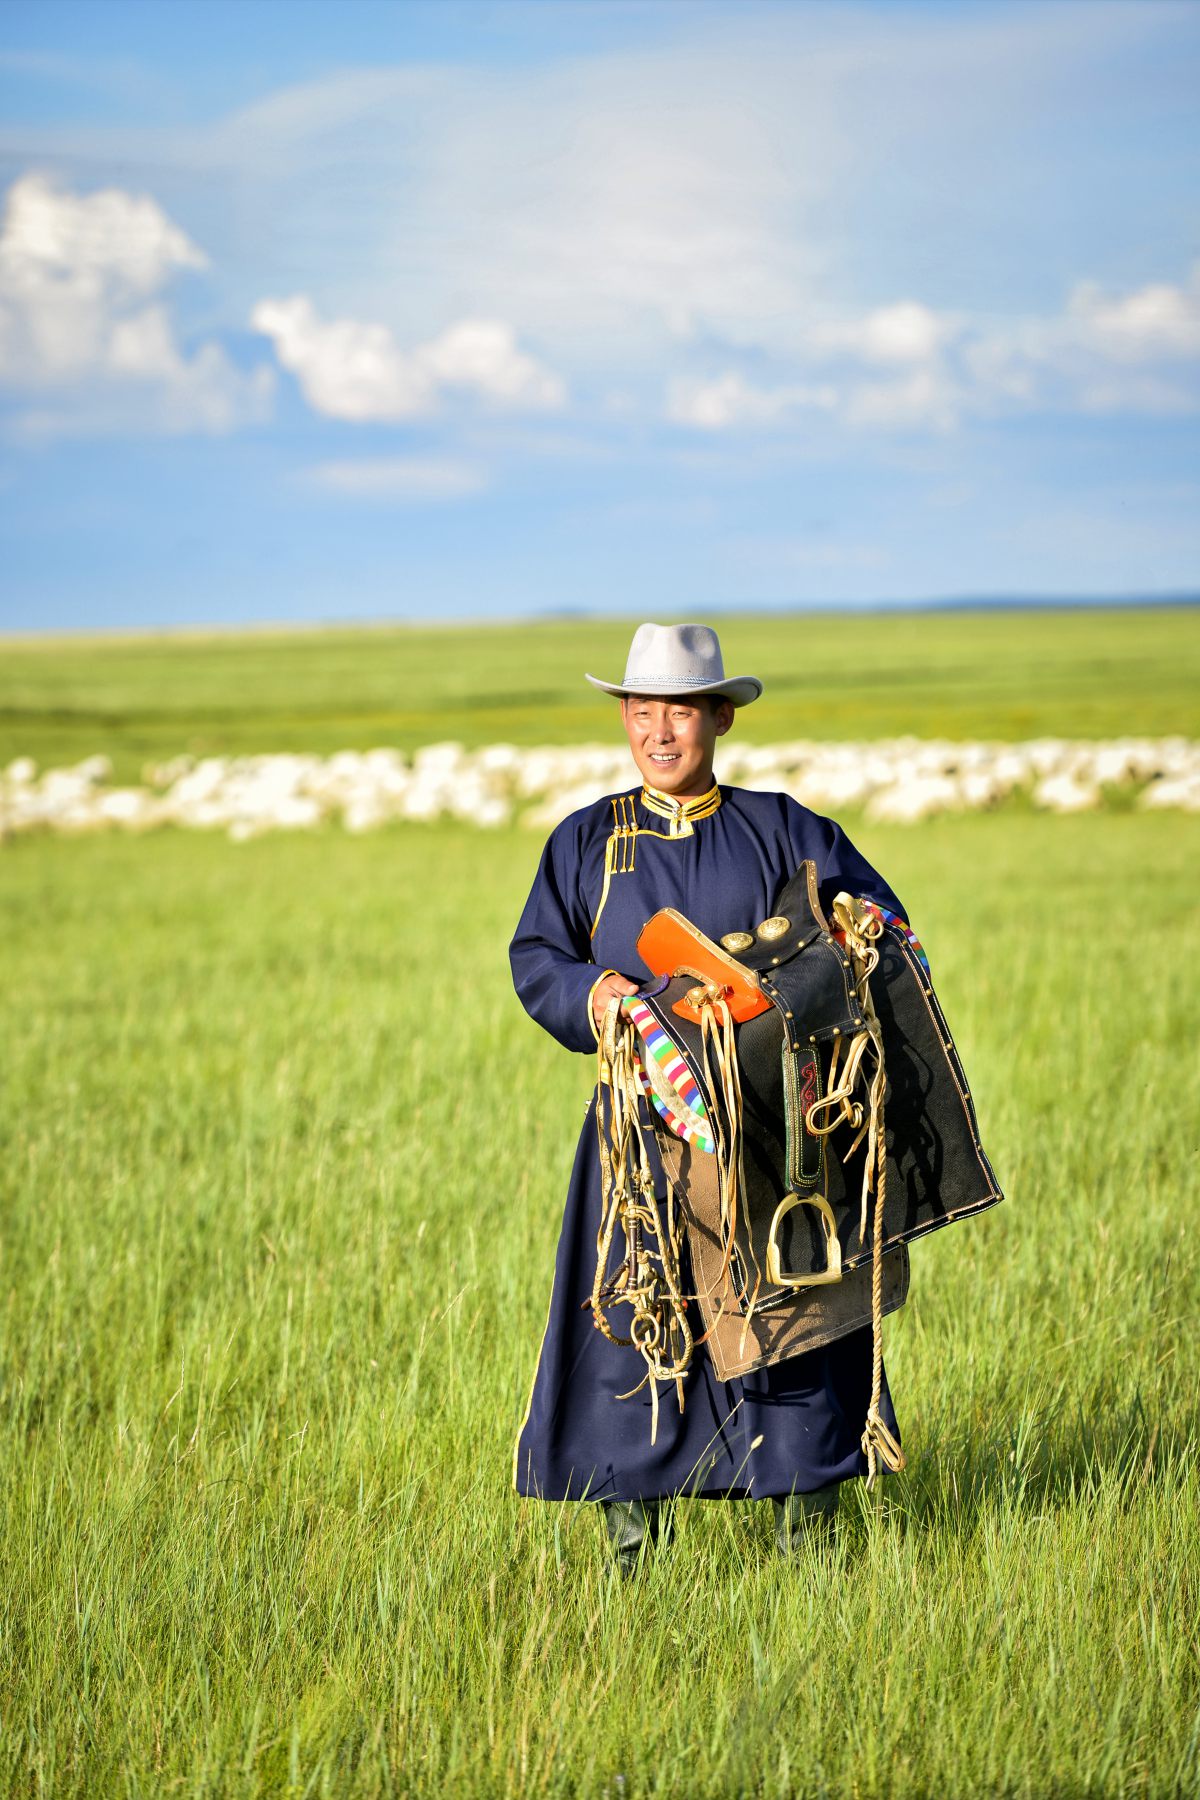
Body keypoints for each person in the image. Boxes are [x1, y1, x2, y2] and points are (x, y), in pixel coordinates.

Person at [509, 622, 906, 1572]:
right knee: (633, 1319)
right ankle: (631, 1553)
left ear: (720, 716)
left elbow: (877, 925)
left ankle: (808, 1542)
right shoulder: (585, 840)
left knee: (791, 1320)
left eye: (679, 711)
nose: (658, 732)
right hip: (638, 1133)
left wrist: (845, 934)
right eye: (642, 711)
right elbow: (537, 958)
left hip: (772, 1133)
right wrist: (593, 993)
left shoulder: (785, 827)